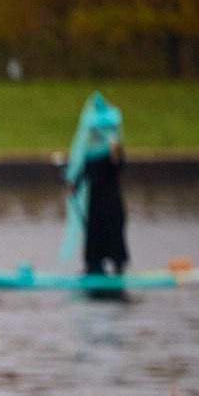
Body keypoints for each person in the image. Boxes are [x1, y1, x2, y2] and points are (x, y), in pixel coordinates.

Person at [63, 91, 126, 278]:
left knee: (114, 231)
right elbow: (84, 172)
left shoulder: (112, 151)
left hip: (112, 201)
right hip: (96, 203)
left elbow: (119, 167)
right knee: (94, 233)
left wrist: (116, 155)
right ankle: (93, 267)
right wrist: (73, 184)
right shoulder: (91, 153)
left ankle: (118, 267)